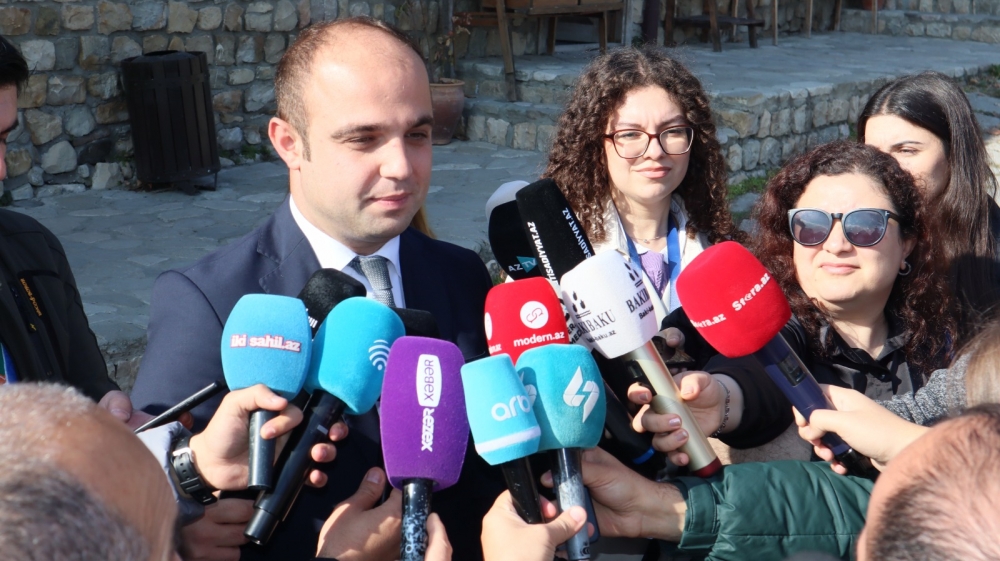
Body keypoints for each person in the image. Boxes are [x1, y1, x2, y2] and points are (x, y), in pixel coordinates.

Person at [128, 17, 503, 561]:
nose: (401, 166)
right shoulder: (206, 300)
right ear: (289, 143)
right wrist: (178, 519)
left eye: (417, 135)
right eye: (364, 139)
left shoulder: (462, 273)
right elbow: (144, 491)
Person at [631, 141, 955, 464]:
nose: (836, 244)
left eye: (865, 225)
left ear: (906, 244)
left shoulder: (947, 339)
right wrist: (724, 399)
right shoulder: (777, 325)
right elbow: (756, 375)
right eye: (812, 225)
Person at [0, 34, 146, 426]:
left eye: (3, 139)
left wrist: (107, 409)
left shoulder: (35, 252)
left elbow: (89, 389)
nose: (1, 169)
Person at [544, 47, 745, 326]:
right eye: (630, 134)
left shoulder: (720, 245)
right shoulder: (554, 252)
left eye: (673, 131)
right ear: (595, 145)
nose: (655, 151)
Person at [859, 71, 1000, 339]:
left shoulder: (990, 253)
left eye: (906, 150)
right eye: (872, 153)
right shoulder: (846, 231)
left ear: (954, 153)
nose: (885, 168)